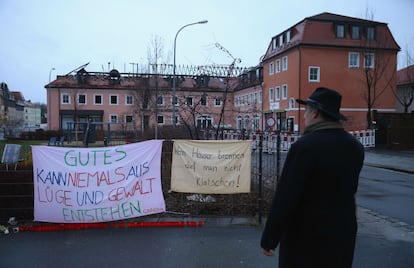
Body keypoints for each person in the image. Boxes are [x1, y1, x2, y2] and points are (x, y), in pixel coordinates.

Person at [260, 87, 364, 267]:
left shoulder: (305, 147)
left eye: (306, 111)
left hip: (306, 236)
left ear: (315, 113)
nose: (304, 115)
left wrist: (270, 238)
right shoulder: (354, 146)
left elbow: (286, 196)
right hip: (343, 233)